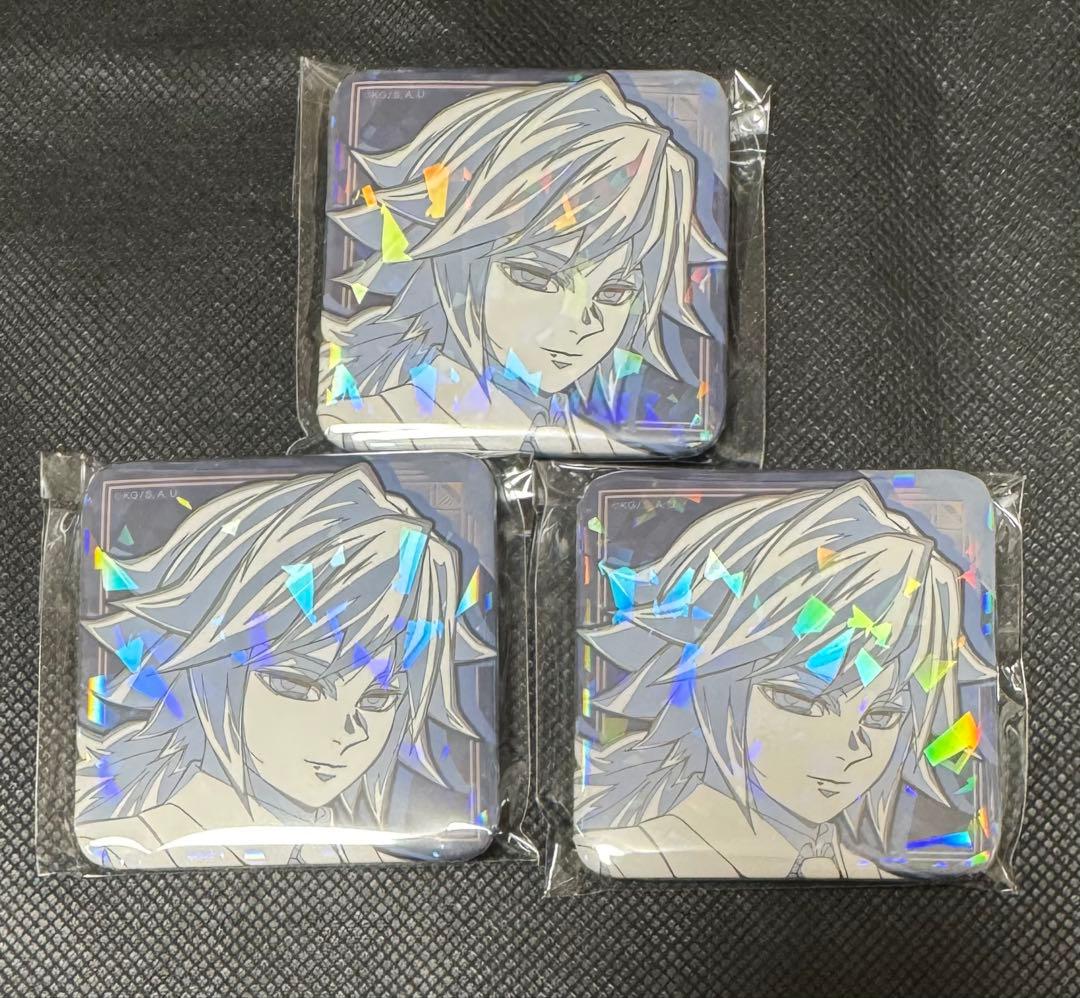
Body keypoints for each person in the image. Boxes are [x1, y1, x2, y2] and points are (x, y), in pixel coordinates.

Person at [76, 463, 493, 868]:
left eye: (378, 698)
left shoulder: (371, 854)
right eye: (297, 685)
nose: (346, 733)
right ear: (213, 665)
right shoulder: (135, 841)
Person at [575, 480, 994, 878]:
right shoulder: (635, 854)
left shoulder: (863, 869)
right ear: (713, 683)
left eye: (882, 716)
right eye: (801, 701)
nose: (849, 749)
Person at [319, 73, 726, 455]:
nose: (582, 322)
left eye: (615, 292)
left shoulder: (593, 439)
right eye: (536, 276)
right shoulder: (372, 422)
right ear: (457, 258)